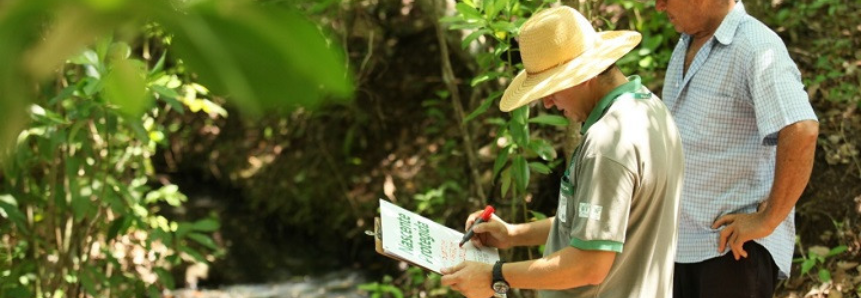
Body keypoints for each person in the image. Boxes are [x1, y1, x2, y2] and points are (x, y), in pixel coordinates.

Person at [440, 6, 684, 298]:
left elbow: (588, 265)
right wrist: (514, 234)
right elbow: (601, 227)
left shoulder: (608, 143)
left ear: (582, 74)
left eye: (551, 88)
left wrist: (495, 276)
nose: (547, 103)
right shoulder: (650, 110)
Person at [654, 0, 819, 297]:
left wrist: (767, 220)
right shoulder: (686, 44)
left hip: (733, 251)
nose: (658, 6)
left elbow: (801, 129)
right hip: (682, 247)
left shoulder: (754, 45)